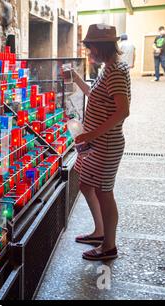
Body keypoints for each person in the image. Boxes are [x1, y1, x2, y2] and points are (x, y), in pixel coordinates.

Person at [63, 24, 131, 261]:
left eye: (91, 47)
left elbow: (123, 111)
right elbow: (96, 96)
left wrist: (90, 135)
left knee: (104, 192)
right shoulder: (108, 67)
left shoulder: (117, 72)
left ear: (101, 46)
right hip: (96, 144)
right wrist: (77, 78)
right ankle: (100, 232)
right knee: (86, 185)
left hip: (106, 144)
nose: (89, 52)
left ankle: (109, 246)